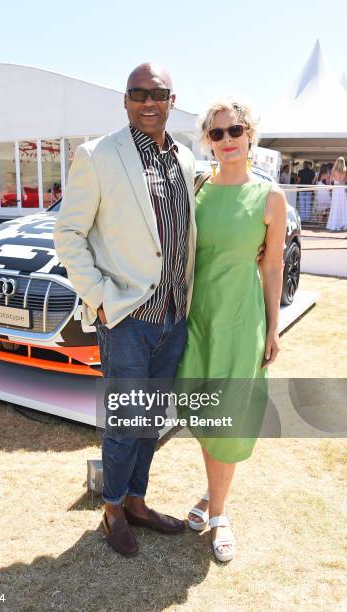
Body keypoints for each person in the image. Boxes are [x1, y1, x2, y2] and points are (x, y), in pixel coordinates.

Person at [53, 63, 197, 557]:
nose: (148, 102)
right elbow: (68, 234)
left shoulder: (185, 159)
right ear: (125, 100)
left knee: (151, 419)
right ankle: (112, 507)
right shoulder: (97, 155)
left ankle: (137, 500)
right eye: (138, 94)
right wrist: (100, 299)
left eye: (157, 93)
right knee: (124, 421)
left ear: (172, 100)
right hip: (127, 319)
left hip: (174, 317)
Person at [176, 99, 286, 562]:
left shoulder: (270, 197)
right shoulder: (195, 189)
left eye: (234, 130)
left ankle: (219, 513)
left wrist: (273, 328)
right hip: (198, 320)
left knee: (229, 415)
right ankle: (211, 495)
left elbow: (273, 265)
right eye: (217, 133)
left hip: (241, 322)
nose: (226, 140)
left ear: (249, 135)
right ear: (207, 140)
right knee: (203, 414)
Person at [327, 156, 347, 230]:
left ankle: (335, 224)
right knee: (343, 206)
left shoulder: (334, 170)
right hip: (342, 188)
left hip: (336, 189)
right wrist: (342, 182)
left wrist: (331, 186)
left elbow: (330, 179)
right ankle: (343, 224)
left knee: (335, 206)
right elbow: (345, 180)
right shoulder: (345, 170)